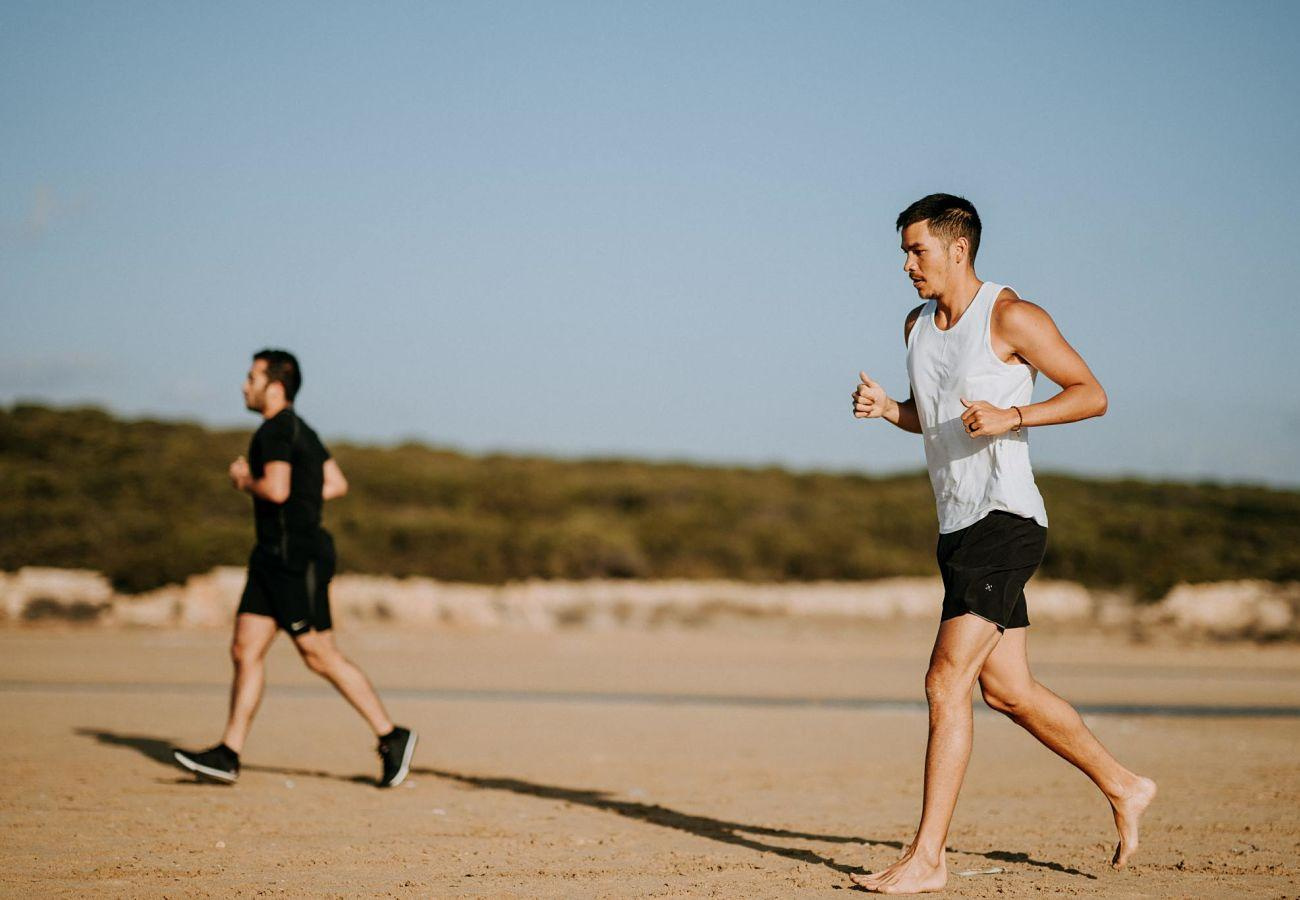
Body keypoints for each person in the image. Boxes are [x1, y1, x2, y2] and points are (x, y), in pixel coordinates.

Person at [848, 195, 1155, 893]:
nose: (906, 264)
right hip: (957, 525)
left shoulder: (1012, 316)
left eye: (916, 250)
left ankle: (928, 858)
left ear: (958, 249)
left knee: (943, 682)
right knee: (1007, 690)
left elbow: (1091, 393)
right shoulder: (917, 325)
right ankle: (1124, 784)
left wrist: (1015, 413)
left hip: (1006, 520)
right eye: (903, 250)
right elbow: (932, 423)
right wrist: (889, 411)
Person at [173, 349, 417, 788]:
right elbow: (335, 483)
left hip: (295, 559)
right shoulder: (303, 430)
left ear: (276, 386)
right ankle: (228, 754)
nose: (244, 386)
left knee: (318, 655)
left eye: (251, 378)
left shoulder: (276, 431)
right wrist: (302, 495)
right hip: (270, 556)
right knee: (245, 649)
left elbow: (278, 489)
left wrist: (244, 481)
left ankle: (391, 735)